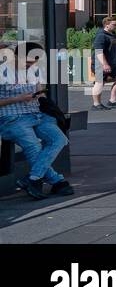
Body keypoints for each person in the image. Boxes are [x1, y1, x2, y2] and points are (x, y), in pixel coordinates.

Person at [0, 42, 74, 199]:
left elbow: (40, 93)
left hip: (37, 115)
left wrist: (40, 96)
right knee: (34, 146)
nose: (30, 65)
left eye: (33, 62)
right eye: (27, 62)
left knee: (59, 139)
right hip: (12, 118)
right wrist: (19, 98)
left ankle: (33, 178)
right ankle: (56, 181)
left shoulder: (34, 70)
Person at [91, 17, 116, 111]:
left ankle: (113, 101)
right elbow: (98, 51)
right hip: (100, 63)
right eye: (114, 25)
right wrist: (105, 64)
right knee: (100, 82)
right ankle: (96, 104)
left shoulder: (113, 34)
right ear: (106, 25)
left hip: (113, 63)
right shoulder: (101, 35)